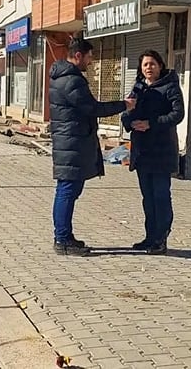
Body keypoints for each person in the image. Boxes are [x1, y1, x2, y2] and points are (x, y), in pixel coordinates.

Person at [48, 38, 136, 256]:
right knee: (67, 191)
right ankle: (62, 240)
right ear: (78, 55)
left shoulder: (62, 77)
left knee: (68, 190)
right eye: (89, 57)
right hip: (72, 143)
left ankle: (64, 236)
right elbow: (92, 108)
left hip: (69, 142)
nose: (91, 61)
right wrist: (123, 105)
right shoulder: (72, 80)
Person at [121, 49, 185, 255]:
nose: (149, 68)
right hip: (142, 151)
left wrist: (151, 123)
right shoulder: (138, 88)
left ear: (160, 66)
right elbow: (126, 112)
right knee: (147, 197)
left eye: (152, 64)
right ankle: (150, 237)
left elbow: (177, 114)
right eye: (145, 65)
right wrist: (132, 122)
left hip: (161, 150)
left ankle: (161, 238)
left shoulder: (170, 86)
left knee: (160, 196)